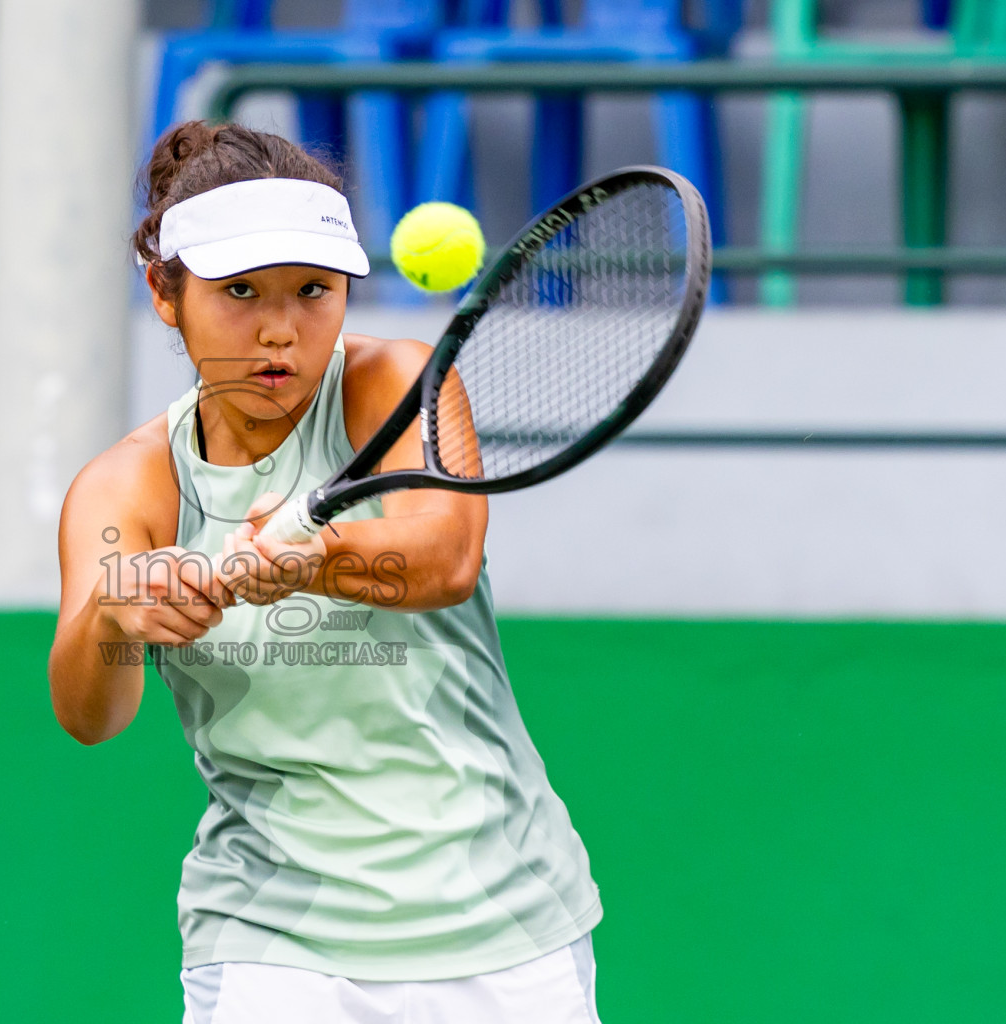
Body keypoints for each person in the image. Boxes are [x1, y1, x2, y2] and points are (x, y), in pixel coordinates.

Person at [48, 120, 603, 1023]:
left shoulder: (396, 381)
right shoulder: (127, 484)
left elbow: (448, 555)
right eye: (239, 293)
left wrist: (320, 558)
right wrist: (116, 617)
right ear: (164, 291)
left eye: (314, 290)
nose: (281, 331)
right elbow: (90, 714)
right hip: (270, 937)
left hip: (502, 917)